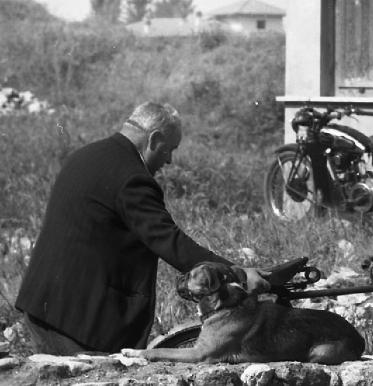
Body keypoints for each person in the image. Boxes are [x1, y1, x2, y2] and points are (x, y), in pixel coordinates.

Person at [15, 102, 270, 355]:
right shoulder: (132, 177)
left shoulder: (87, 155)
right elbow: (169, 241)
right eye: (169, 149)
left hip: (49, 304)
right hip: (77, 319)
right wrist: (237, 274)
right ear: (154, 139)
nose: (169, 160)